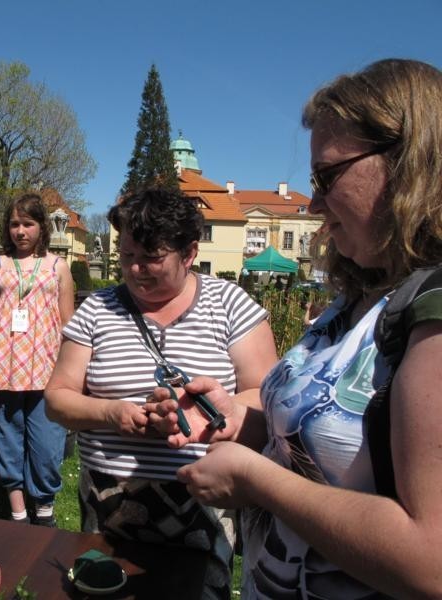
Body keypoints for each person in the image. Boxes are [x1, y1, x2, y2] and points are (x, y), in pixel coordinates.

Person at [153, 59, 442, 599]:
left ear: (406, 164)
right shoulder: (357, 297)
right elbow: (329, 449)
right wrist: (240, 418)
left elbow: (432, 562)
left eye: (328, 176)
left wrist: (255, 480)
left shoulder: (433, 308)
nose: (313, 203)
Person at [45, 187, 278, 599]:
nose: (135, 270)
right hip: (109, 499)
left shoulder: (230, 305)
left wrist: (206, 414)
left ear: (188, 253)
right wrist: (114, 414)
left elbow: (266, 395)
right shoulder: (97, 310)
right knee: (105, 591)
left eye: (152, 257)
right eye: (128, 256)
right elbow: (58, 398)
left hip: (204, 494)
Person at [0, 192, 74, 527]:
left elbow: (69, 325)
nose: (20, 231)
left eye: (28, 224)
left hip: (47, 371)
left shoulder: (58, 267)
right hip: (4, 370)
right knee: (6, 441)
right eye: (15, 224)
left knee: (47, 446)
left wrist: (73, 374)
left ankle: (43, 511)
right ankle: (17, 513)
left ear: (42, 227)